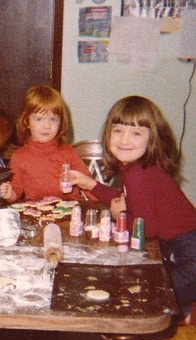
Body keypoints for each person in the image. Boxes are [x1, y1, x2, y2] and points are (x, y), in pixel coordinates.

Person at [70, 95, 196, 321]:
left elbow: (144, 230)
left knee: (139, 295)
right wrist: (91, 184)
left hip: (190, 258)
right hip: (179, 251)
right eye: (117, 130)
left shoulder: (140, 174)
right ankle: (185, 310)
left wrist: (121, 218)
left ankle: (189, 312)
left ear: (152, 139)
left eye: (136, 133)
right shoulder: (133, 168)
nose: (124, 140)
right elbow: (125, 199)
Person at [0, 85, 94, 203]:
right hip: (36, 213)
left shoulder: (69, 152)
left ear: (61, 122)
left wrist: (110, 201)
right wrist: (9, 194)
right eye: (39, 119)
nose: (47, 126)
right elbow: (16, 191)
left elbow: (89, 185)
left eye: (53, 119)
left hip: (69, 212)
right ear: (26, 121)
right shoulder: (19, 157)